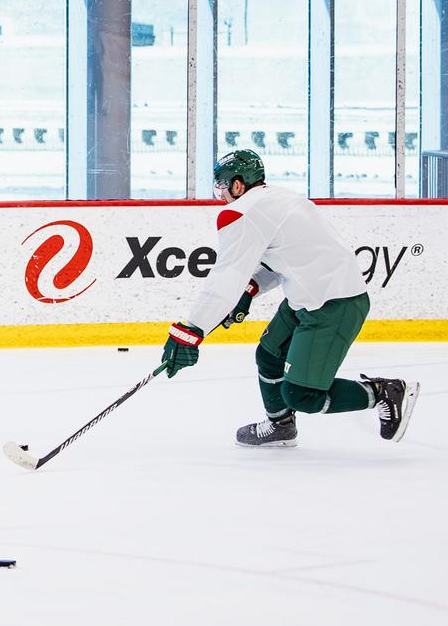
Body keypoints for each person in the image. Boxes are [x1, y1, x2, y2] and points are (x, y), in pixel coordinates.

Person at [161, 150, 419, 447]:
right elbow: (287, 257)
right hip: (309, 296)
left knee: (303, 396)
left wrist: (192, 329)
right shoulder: (282, 198)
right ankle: (280, 425)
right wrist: (250, 288)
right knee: (269, 355)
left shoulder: (241, 212)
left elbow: (226, 276)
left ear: (237, 185)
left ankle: (383, 392)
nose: (220, 194)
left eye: (222, 186)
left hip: (333, 305)